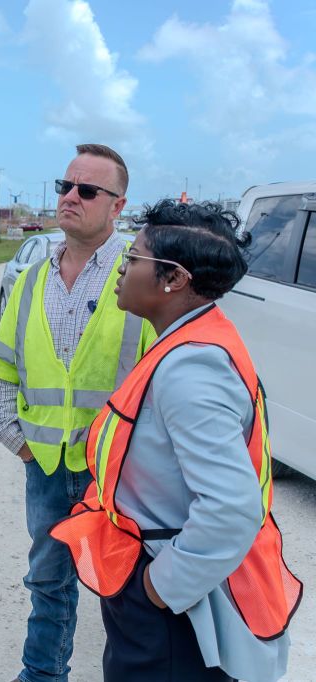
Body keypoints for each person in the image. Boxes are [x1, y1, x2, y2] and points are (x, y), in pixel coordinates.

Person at [50, 199, 302, 682]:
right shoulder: (188, 341)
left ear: (174, 279)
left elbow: (231, 508)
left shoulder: (192, 367)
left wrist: (157, 590)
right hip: (160, 590)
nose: (121, 270)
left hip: (174, 613)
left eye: (135, 259)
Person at [0, 143, 155, 682]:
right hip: (47, 462)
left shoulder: (142, 276)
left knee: (128, 586)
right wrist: (15, 437)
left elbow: (162, 372)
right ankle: (41, 675)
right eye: (65, 186)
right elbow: (3, 362)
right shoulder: (34, 277)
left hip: (117, 472)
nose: (70, 198)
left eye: (87, 190)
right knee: (48, 581)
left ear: (117, 205)